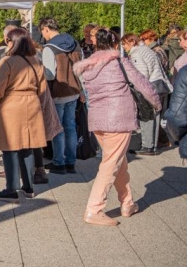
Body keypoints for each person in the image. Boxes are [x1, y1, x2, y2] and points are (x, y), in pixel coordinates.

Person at [74, 29, 160, 225]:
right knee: (110, 163)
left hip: (97, 118)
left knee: (117, 160)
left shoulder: (87, 66)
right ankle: (94, 209)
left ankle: (127, 203)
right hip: (119, 117)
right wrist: (157, 103)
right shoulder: (119, 61)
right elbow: (142, 83)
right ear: (114, 45)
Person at [0, 27, 49, 201]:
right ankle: (28, 187)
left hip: (11, 105)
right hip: (32, 103)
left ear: (11, 42)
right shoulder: (35, 60)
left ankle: (11, 188)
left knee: (10, 148)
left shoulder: (7, 61)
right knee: (27, 147)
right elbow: (43, 89)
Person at [39, 17, 83, 174]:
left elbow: (49, 75)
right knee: (70, 126)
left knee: (58, 128)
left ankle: (59, 162)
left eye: (42, 32)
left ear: (46, 28)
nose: (43, 36)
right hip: (74, 91)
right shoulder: (75, 43)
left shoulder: (49, 48)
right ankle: (71, 162)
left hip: (58, 92)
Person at [121, 33, 171, 155]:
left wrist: (137, 89)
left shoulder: (137, 53)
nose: (123, 47)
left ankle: (147, 146)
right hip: (158, 85)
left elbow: (141, 76)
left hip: (149, 87)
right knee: (155, 116)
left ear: (132, 42)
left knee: (147, 116)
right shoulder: (146, 50)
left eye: (124, 44)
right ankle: (153, 145)